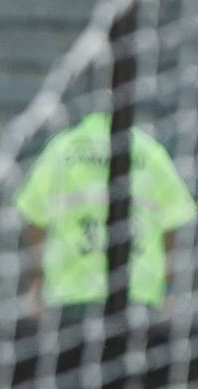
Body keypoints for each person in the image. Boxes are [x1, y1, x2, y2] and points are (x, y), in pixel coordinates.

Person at [16, 111, 197, 315]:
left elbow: (34, 224)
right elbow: (173, 226)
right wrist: (167, 287)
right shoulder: (150, 150)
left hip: (70, 295)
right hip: (138, 294)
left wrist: (41, 277)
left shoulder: (62, 148)